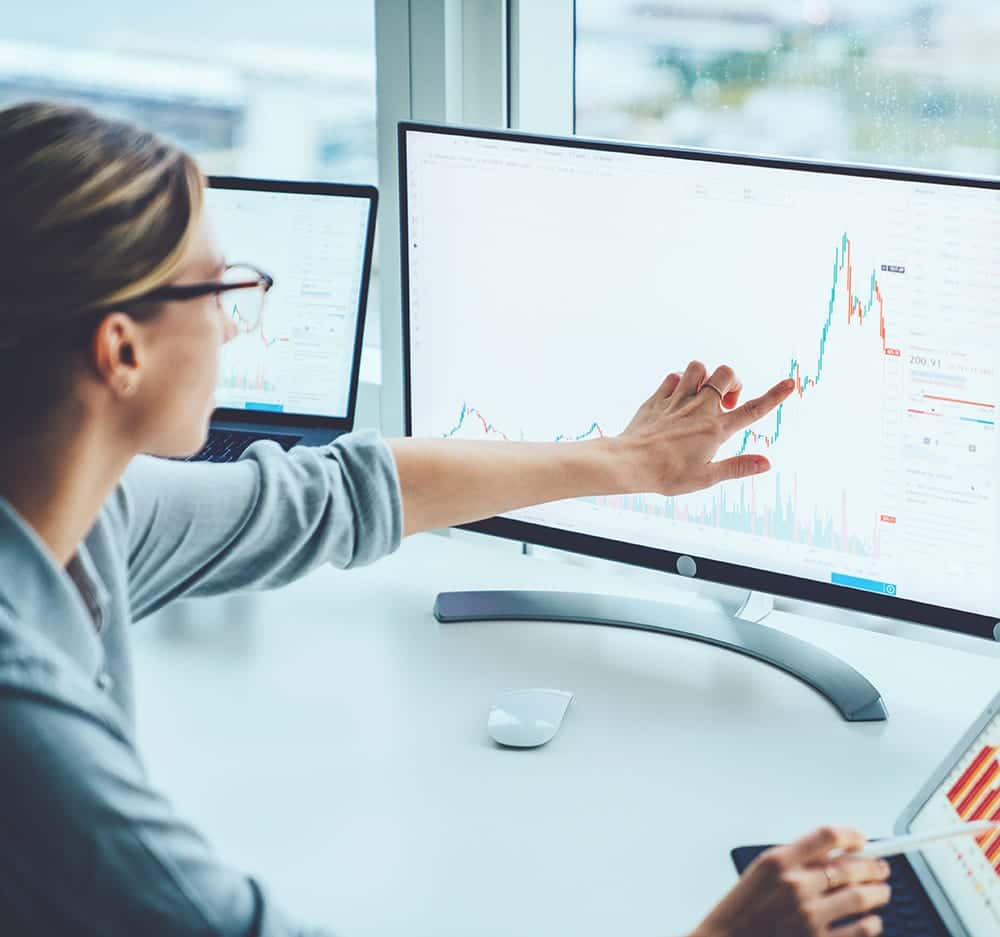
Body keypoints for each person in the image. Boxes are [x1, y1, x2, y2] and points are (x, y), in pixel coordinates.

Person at [0, 101, 891, 937]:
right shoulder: (23, 709)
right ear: (121, 349)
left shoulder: (80, 513)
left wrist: (630, 462)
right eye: (220, 292)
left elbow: (338, 496)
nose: (235, 328)